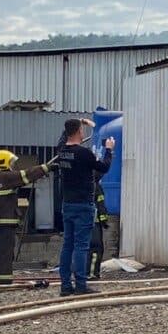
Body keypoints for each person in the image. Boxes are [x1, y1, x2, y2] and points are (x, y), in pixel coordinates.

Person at [56, 118, 113, 296]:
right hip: (83, 204)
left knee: (67, 245)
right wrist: (109, 150)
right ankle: (81, 284)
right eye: (81, 129)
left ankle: (66, 285)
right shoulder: (84, 153)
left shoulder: (61, 151)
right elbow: (103, 167)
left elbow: (63, 137)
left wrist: (76, 123)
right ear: (79, 131)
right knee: (81, 246)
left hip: (67, 204)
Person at [0, 149, 51, 285]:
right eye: (11, 162)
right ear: (3, 163)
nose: (12, 165)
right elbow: (27, 174)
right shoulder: (7, 178)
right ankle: (5, 280)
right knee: (5, 252)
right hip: (6, 222)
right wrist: (46, 168)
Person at [89, 174, 109, 280]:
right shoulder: (96, 186)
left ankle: (83, 272)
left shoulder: (81, 183)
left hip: (82, 222)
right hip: (94, 223)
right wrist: (104, 221)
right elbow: (100, 204)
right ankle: (92, 273)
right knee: (95, 248)